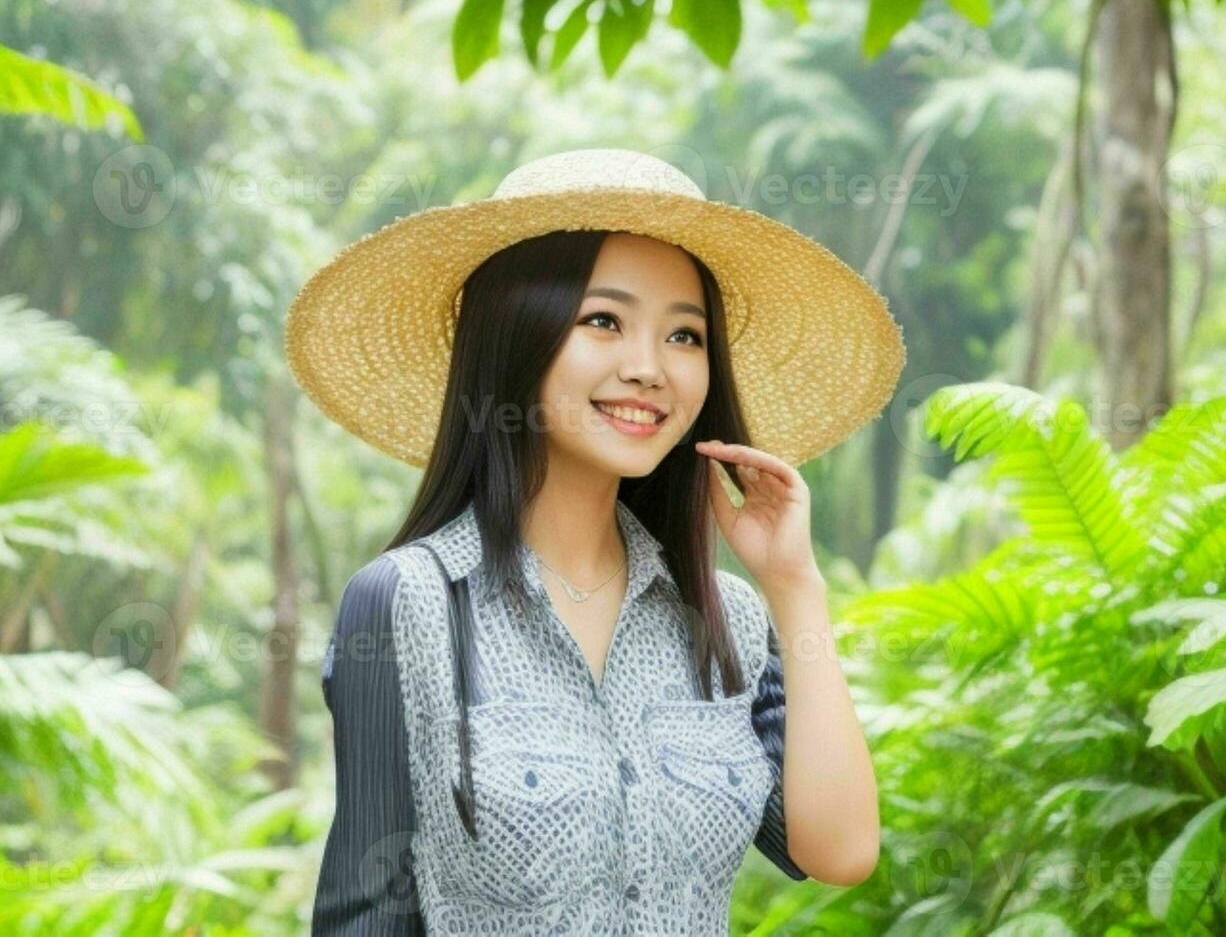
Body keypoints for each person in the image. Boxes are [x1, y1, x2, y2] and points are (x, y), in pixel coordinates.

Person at [285, 148, 905, 934]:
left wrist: (796, 589)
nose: (650, 369)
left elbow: (841, 851)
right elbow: (363, 916)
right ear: (516, 336)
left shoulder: (728, 620)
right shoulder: (409, 603)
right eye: (603, 321)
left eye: (685, 336)